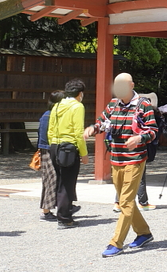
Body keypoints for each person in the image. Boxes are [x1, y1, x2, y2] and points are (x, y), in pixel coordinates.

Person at [85, 73, 157, 257]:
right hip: (116, 157)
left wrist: (139, 137)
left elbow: (153, 130)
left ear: (131, 85)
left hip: (135, 158)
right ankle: (144, 233)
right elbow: (102, 122)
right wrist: (93, 129)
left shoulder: (143, 105)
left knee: (123, 201)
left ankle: (116, 243)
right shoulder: (113, 104)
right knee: (127, 201)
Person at [49, 80, 87, 228]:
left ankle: (64, 212)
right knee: (67, 182)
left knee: (60, 180)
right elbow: (78, 132)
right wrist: (83, 153)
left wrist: (53, 143)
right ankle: (64, 218)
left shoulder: (57, 105)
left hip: (55, 146)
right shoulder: (77, 106)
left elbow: (51, 128)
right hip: (69, 147)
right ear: (79, 94)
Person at [37, 91, 65, 222]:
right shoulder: (47, 116)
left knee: (55, 178)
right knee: (51, 179)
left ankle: (61, 205)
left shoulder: (53, 115)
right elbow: (43, 138)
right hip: (47, 150)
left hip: (51, 149)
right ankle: (46, 210)